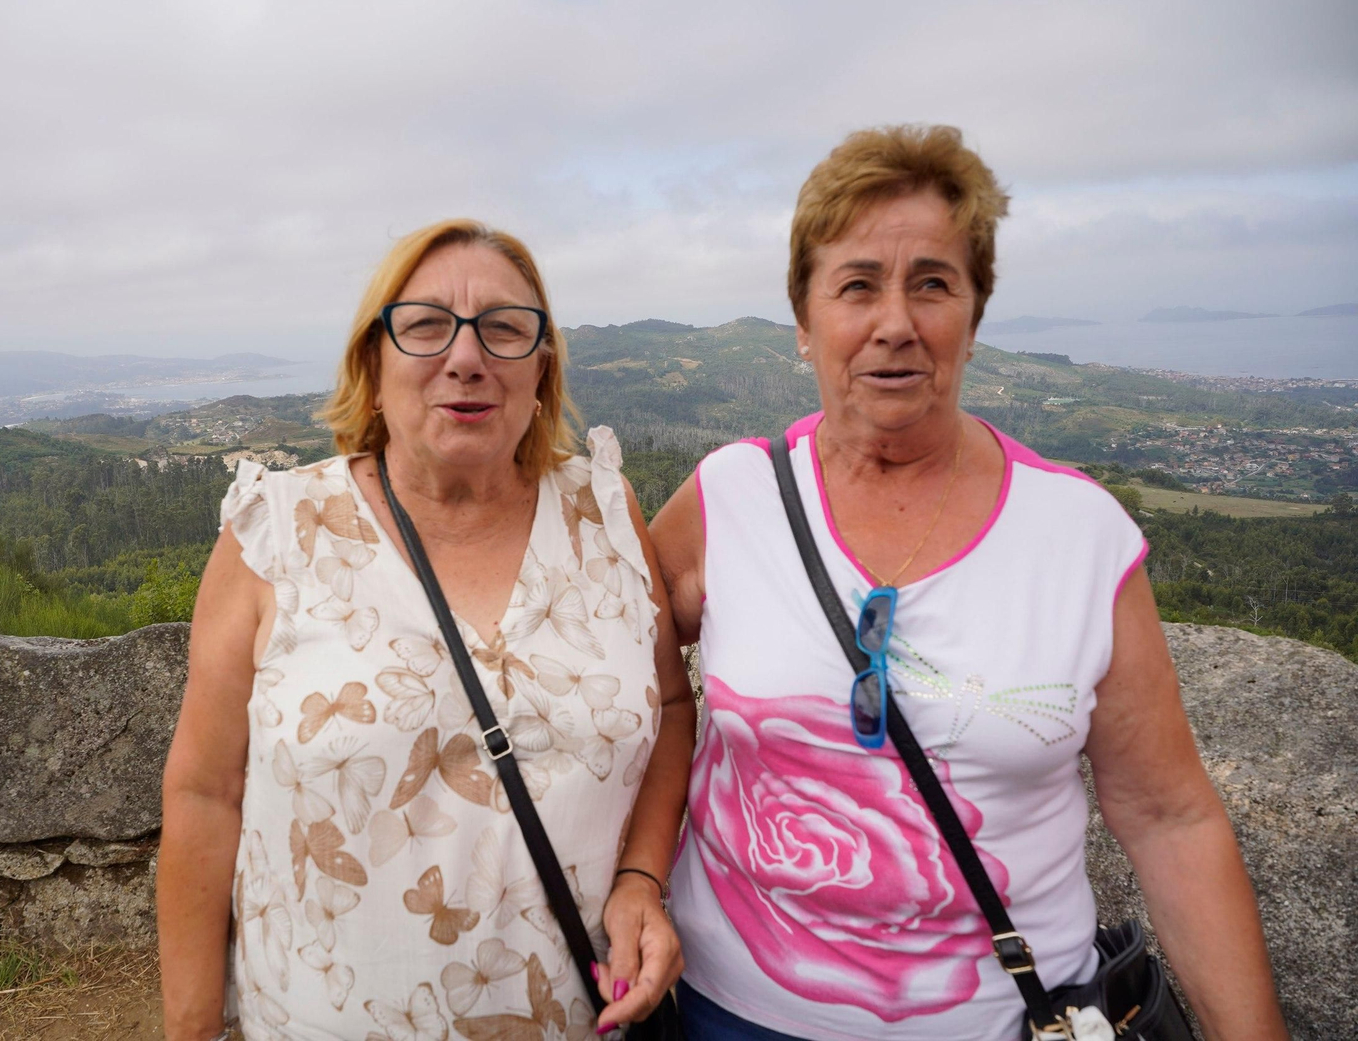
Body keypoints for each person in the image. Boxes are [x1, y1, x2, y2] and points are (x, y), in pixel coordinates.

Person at [649, 127, 1287, 1040]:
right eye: (858, 284)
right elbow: (598, 676)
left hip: (1007, 1020)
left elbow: (1168, 816)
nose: (896, 322)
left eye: (933, 284)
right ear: (802, 321)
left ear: (975, 319)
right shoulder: (727, 498)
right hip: (735, 1012)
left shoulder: (1079, 536)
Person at [158, 220, 695, 1040]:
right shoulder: (278, 533)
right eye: (425, 325)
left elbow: (670, 707)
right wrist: (189, 1030)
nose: (467, 356)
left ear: (541, 369)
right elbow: (204, 793)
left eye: (505, 328)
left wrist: (640, 877)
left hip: (578, 1015)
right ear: (372, 363)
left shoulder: (606, 516)